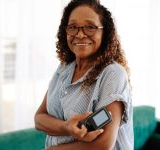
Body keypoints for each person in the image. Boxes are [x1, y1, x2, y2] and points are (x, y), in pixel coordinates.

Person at [34, 0, 133, 149]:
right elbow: (39, 119)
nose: (80, 34)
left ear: (104, 32)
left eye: (90, 27)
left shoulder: (113, 74)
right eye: (73, 27)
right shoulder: (64, 69)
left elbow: (103, 144)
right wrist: (67, 127)